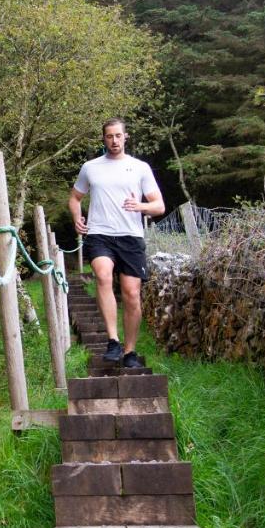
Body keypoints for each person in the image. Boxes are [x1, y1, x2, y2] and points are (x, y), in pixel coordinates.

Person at [68, 118, 165, 370]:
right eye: (109, 136)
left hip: (131, 236)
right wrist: (77, 217)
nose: (114, 141)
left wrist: (140, 206)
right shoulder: (90, 168)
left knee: (132, 294)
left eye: (118, 136)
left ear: (125, 137)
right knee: (102, 275)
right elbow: (75, 197)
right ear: (104, 139)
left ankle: (130, 352)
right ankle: (113, 341)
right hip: (99, 233)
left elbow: (159, 206)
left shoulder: (140, 168)